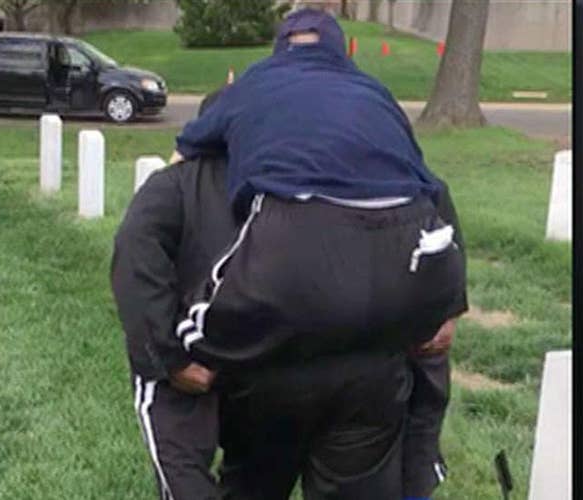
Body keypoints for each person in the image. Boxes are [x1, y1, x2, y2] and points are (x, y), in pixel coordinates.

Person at [112, 88, 465, 499]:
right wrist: (446, 305)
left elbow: (134, 253)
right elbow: (432, 200)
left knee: (251, 478)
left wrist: (168, 355)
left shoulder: (178, 183)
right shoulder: (335, 169)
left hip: (257, 372)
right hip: (359, 364)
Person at [169, 9, 466, 376]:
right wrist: (450, 309)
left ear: (279, 51)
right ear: (343, 54)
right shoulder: (375, 92)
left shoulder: (254, 81)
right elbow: (433, 189)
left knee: (186, 343)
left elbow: (181, 157)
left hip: (301, 231)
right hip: (409, 251)